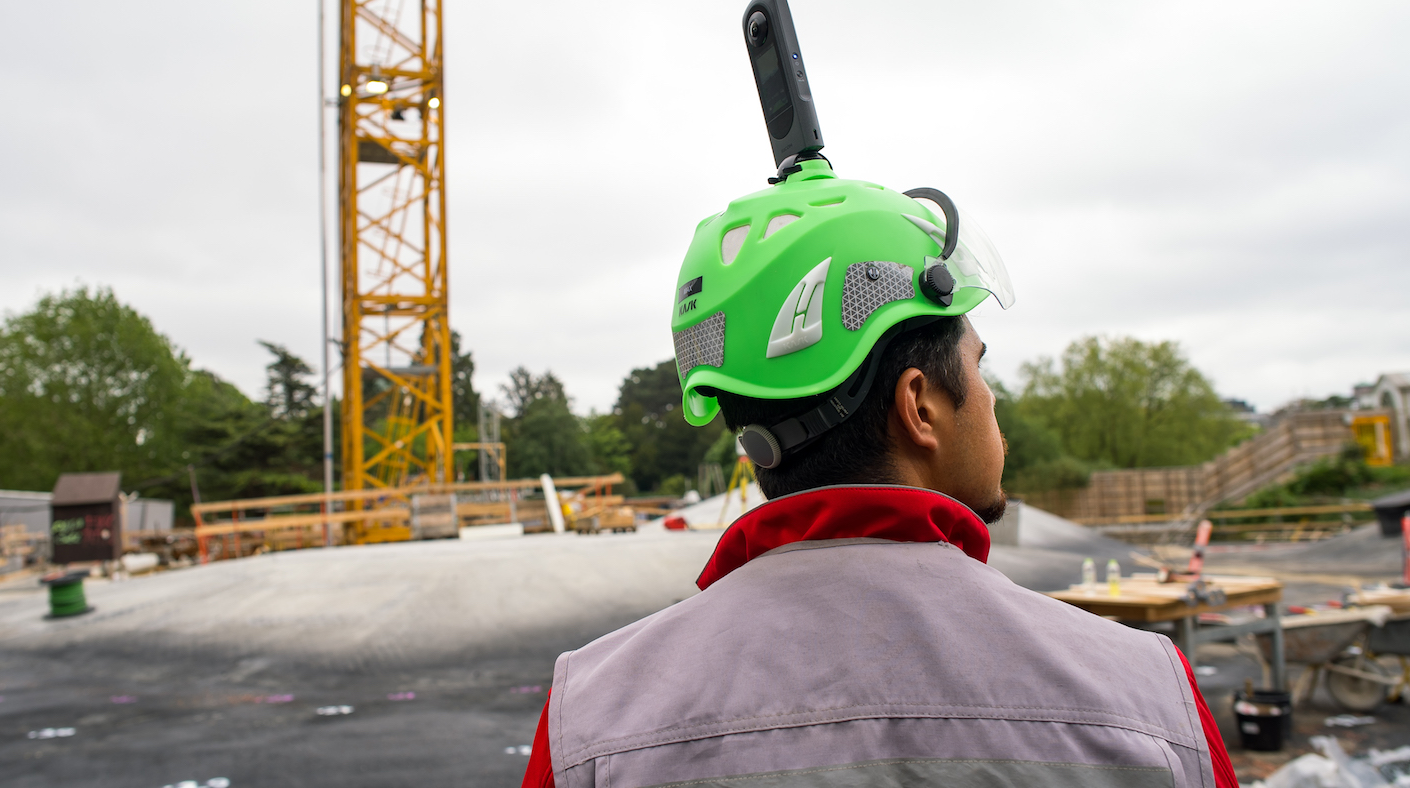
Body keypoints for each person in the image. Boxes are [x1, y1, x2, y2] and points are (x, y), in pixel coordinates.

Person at [519, 149, 1235, 788]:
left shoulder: (592, 717)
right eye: (980, 368)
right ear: (918, 406)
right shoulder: (1146, 697)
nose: (991, 401)